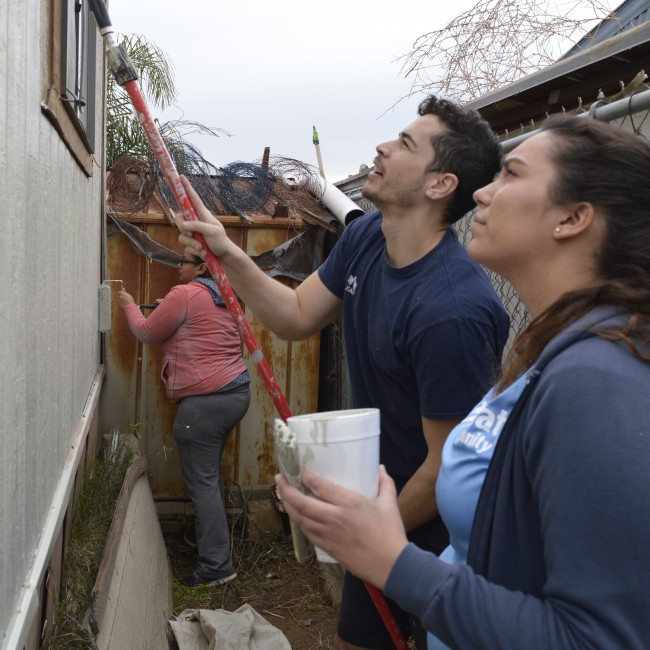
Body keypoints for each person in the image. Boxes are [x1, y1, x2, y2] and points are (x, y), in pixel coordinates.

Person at [276, 115, 650, 649]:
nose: (482, 194)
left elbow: (598, 638)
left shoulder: (596, 383)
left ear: (572, 218)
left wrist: (392, 560)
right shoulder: (547, 351)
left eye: (512, 175)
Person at [179, 95, 510, 650]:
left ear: (439, 185)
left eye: (406, 143)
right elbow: (296, 315)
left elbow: (446, 466)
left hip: (429, 535)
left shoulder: (451, 310)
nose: (382, 145)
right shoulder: (366, 238)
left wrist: (369, 538)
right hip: (379, 512)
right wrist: (229, 255)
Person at [118, 255, 250, 587]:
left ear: (202, 267)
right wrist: (171, 305)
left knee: (202, 483)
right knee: (209, 477)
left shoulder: (185, 294)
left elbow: (146, 332)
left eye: (184, 260)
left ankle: (217, 565)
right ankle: (214, 545)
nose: (177, 265)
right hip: (236, 394)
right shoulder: (225, 294)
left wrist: (129, 306)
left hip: (205, 403)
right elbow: (195, 325)